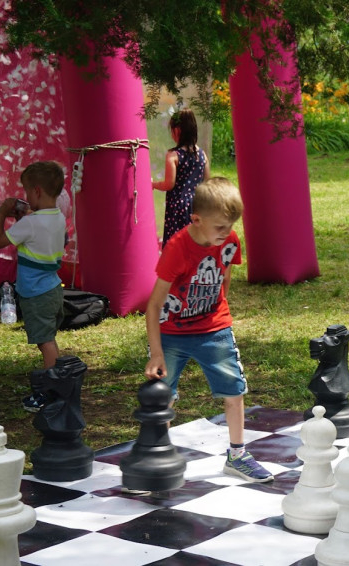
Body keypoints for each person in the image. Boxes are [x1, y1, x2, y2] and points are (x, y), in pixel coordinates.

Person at [144, 177, 273, 483]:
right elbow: (153, 306)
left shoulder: (229, 241)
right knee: (162, 396)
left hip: (214, 329)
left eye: (231, 226)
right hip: (171, 333)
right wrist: (156, 353)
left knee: (234, 391)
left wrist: (215, 313)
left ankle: (238, 455)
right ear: (197, 219)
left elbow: (224, 279)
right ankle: (160, 455)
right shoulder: (177, 249)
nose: (226, 233)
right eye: (219, 227)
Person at [0, 161, 67, 412]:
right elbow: (38, 237)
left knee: (45, 342)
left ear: (36, 191)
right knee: (49, 340)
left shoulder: (31, 223)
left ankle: (51, 392)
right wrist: (22, 218)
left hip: (36, 294)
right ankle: (55, 383)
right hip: (53, 289)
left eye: (26, 191)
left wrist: (2, 213)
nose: (25, 196)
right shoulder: (58, 217)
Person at [152, 108, 210, 247]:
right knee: (194, 242)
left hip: (178, 208)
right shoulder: (202, 155)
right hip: (197, 205)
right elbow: (207, 182)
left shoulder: (173, 155)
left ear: (177, 131)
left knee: (177, 244)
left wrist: (153, 184)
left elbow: (169, 184)